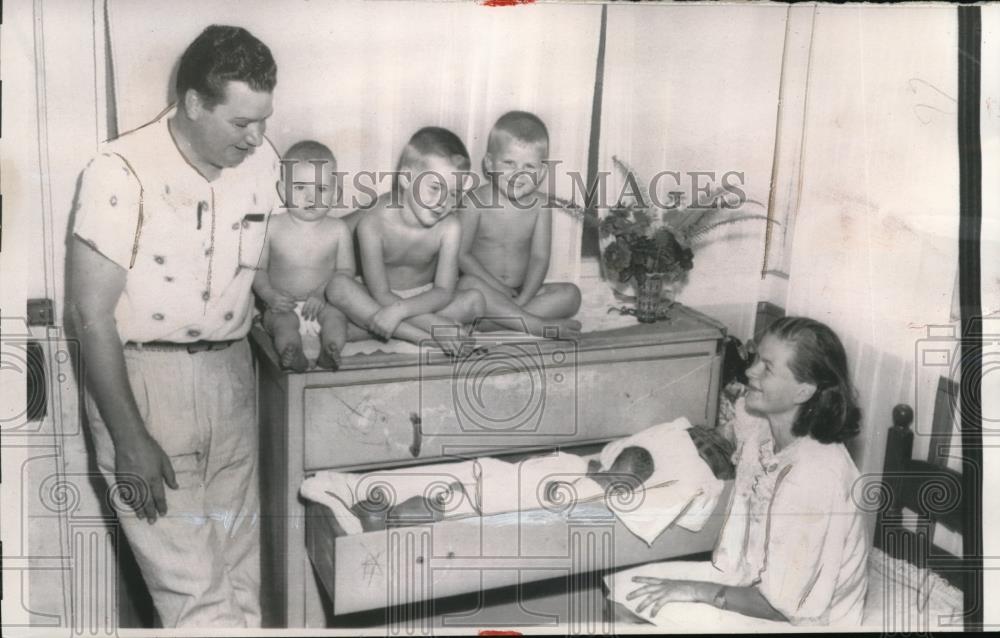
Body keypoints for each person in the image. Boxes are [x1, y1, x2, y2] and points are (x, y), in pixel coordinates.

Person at [67, 25, 278, 627]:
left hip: (231, 377)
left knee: (241, 584)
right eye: (241, 122)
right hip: (144, 387)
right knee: (196, 601)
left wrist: (289, 310)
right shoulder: (119, 170)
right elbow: (89, 315)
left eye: (263, 119)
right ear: (193, 103)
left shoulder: (263, 160)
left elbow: (261, 268)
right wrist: (129, 437)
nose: (256, 136)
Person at [608, 316, 869, 628]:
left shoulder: (813, 476)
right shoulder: (763, 424)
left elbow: (784, 607)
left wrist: (694, 590)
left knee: (629, 608)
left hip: (804, 620)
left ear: (803, 391)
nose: (750, 371)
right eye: (756, 358)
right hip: (752, 579)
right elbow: (721, 438)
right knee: (622, 586)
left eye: (767, 367)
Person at [326, 127, 485, 356]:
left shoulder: (451, 227)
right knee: (338, 287)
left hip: (425, 300)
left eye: (453, 193)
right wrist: (436, 329)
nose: (443, 202)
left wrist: (401, 311)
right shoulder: (372, 223)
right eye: (435, 188)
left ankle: (365, 327)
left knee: (476, 302)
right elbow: (380, 293)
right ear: (406, 178)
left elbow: (443, 291)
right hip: (378, 297)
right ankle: (422, 339)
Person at [457, 111, 582, 339]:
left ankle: (498, 322)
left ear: (542, 172)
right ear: (489, 163)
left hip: (521, 292)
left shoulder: (541, 205)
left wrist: (523, 299)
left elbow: (539, 258)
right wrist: (498, 289)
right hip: (483, 290)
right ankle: (532, 323)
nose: (518, 174)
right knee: (466, 284)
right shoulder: (474, 201)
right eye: (509, 163)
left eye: (529, 167)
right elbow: (461, 255)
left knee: (571, 295)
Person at [253, 140, 354, 371]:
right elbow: (257, 270)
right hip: (282, 306)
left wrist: (322, 294)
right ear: (282, 190)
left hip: (323, 304)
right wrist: (270, 296)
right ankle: (293, 352)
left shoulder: (338, 229)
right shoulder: (272, 227)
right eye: (300, 188)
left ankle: (331, 349)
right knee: (284, 326)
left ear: (336, 193)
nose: (311, 198)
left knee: (336, 320)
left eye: (321, 189)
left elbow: (346, 272)